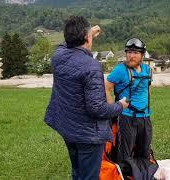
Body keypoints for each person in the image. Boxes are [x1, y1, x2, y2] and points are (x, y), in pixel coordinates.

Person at [44, 16, 129, 180]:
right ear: (86, 38)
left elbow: (65, 44)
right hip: (87, 135)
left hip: (67, 128)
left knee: (77, 170)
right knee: (89, 175)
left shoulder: (58, 56)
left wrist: (88, 33)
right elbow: (97, 108)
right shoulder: (91, 66)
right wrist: (120, 105)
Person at [105, 38, 153, 168]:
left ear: (142, 55)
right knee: (125, 155)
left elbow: (147, 88)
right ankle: (124, 175)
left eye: (135, 53)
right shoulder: (120, 70)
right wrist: (113, 109)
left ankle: (142, 174)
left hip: (145, 117)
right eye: (129, 52)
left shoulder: (148, 70)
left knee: (144, 151)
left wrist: (146, 107)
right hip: (126, 117)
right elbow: (106, 88)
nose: (131, 56)